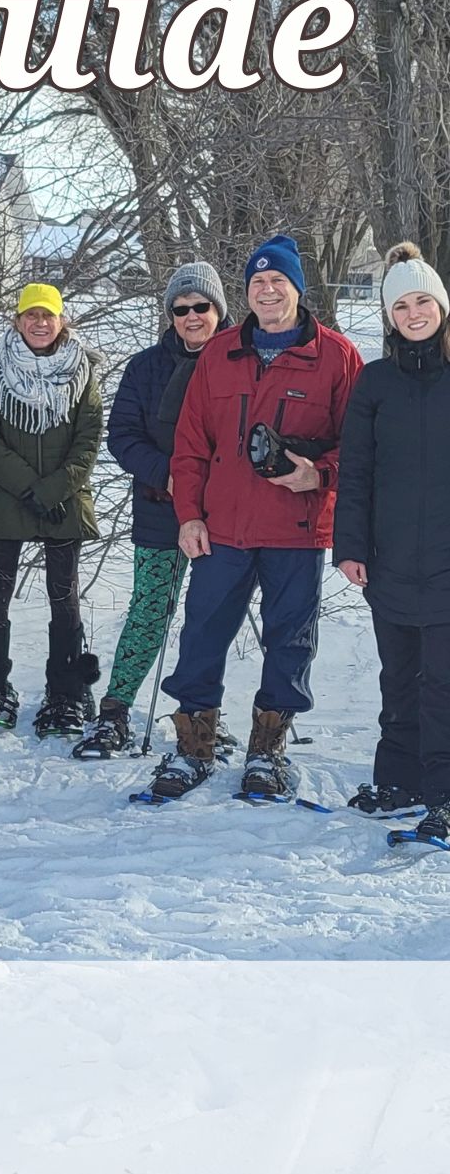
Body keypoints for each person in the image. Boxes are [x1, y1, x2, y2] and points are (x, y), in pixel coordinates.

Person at [145, 234, 362, 801]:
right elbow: (190, 444)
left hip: (295, 528)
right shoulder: (219, 353)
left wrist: (321, 474)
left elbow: (360, 445)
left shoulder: (337, 356)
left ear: (297, 288)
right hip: (223, 528)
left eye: (278, 281)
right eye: (258, 283)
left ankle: (267, 753)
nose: (267, 291)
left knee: (290, 640)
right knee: (201, 635)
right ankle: (193, 746)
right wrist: (189, 515)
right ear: (247, 293)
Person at [75, 262, 230, 758]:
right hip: (161, 508)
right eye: (180, 309)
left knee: (210, 618)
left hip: (224, 513)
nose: (191, 316)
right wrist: (168, 474)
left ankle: (199, 715)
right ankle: (115, 711)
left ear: (218, 309)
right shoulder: (145, 367)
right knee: (149, 612)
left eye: (201, 307)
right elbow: (121, 436)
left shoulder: (241, 360)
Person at [334, 243, 450, 841]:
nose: (413, 312)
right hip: (390, 561)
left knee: (444, 684)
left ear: (441, 306)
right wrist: (349, 546)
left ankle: (444, 793)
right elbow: (355, 472)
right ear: (389, 314)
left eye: (422, 300)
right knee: (398, 679)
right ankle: (399, 780)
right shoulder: (375, 383)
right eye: (401, 304)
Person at [0, 282, 104, 737]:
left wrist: (57, 489)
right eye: (30, 315)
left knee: (64, 598)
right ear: (17, 320)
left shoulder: (82, 369)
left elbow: (89, 437)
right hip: (8, 495)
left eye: (48, 315)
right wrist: (28, 488)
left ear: (62, 320)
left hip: (65, 499)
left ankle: (66, 692)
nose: (39, 323)